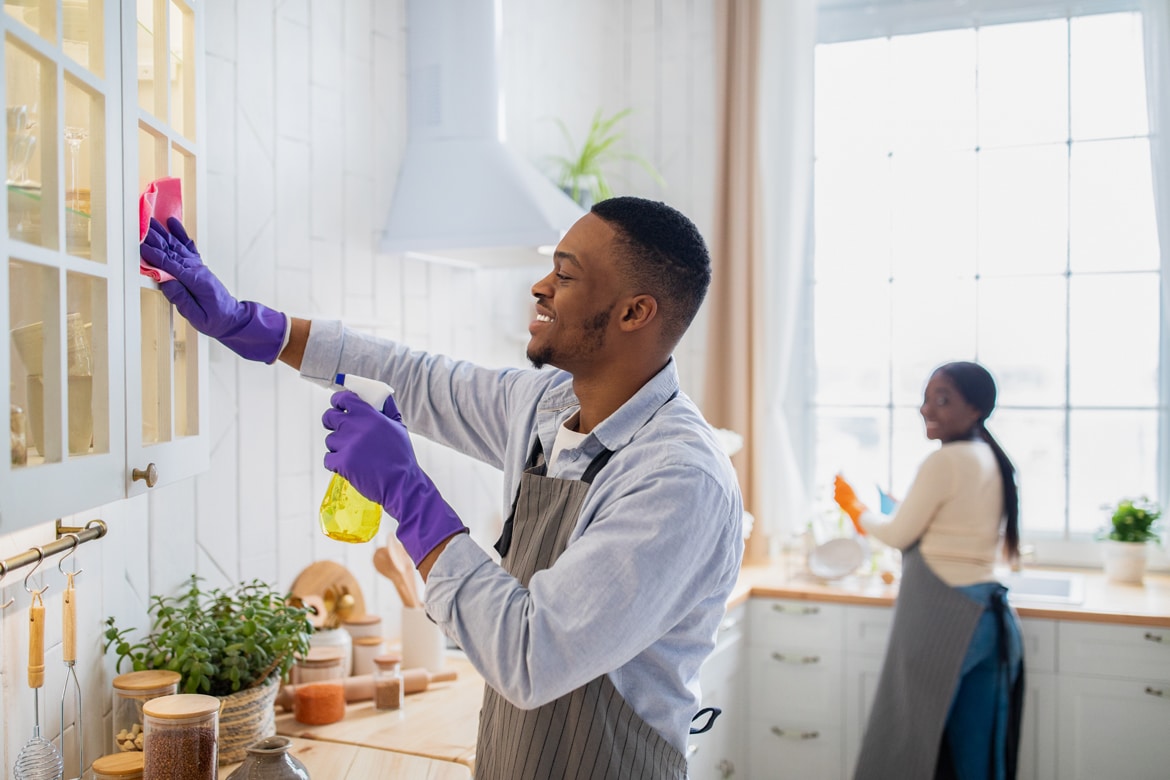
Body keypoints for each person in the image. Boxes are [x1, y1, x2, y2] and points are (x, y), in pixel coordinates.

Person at [140, 196, 745, 780]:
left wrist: (409, 496)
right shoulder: (547, 405)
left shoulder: (677, 478)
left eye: (564, 275)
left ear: (634, 313)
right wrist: (256, 327)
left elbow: (532, 654)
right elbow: (414, 376)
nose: (540, 287)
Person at [833, 361, 1024, 780]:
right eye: (925, 397)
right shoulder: (988, 456)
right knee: (976, 755)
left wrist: (856, 509)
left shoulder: (946, 461)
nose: (926, 409)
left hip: (944, 614)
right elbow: (953, 526)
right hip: (989, 618)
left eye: (942, 399)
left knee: (903, 745)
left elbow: (899, 535)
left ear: (976, 409)